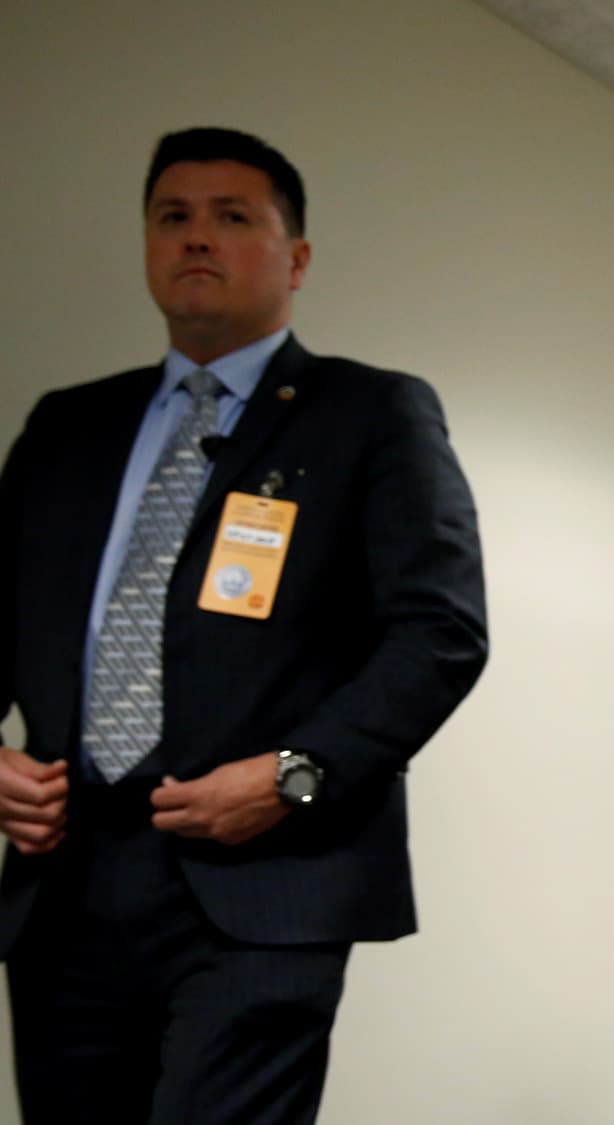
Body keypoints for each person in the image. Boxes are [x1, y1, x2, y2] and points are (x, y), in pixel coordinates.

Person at [0, 127, 487, 1124]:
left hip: (262, 879)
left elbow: (438, 633)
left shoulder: (371, 413)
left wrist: (292, 776)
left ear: (295, 258)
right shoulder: (65, 426)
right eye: (172, 217)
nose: (196, 237)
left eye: (232, 217)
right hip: (65, 875)